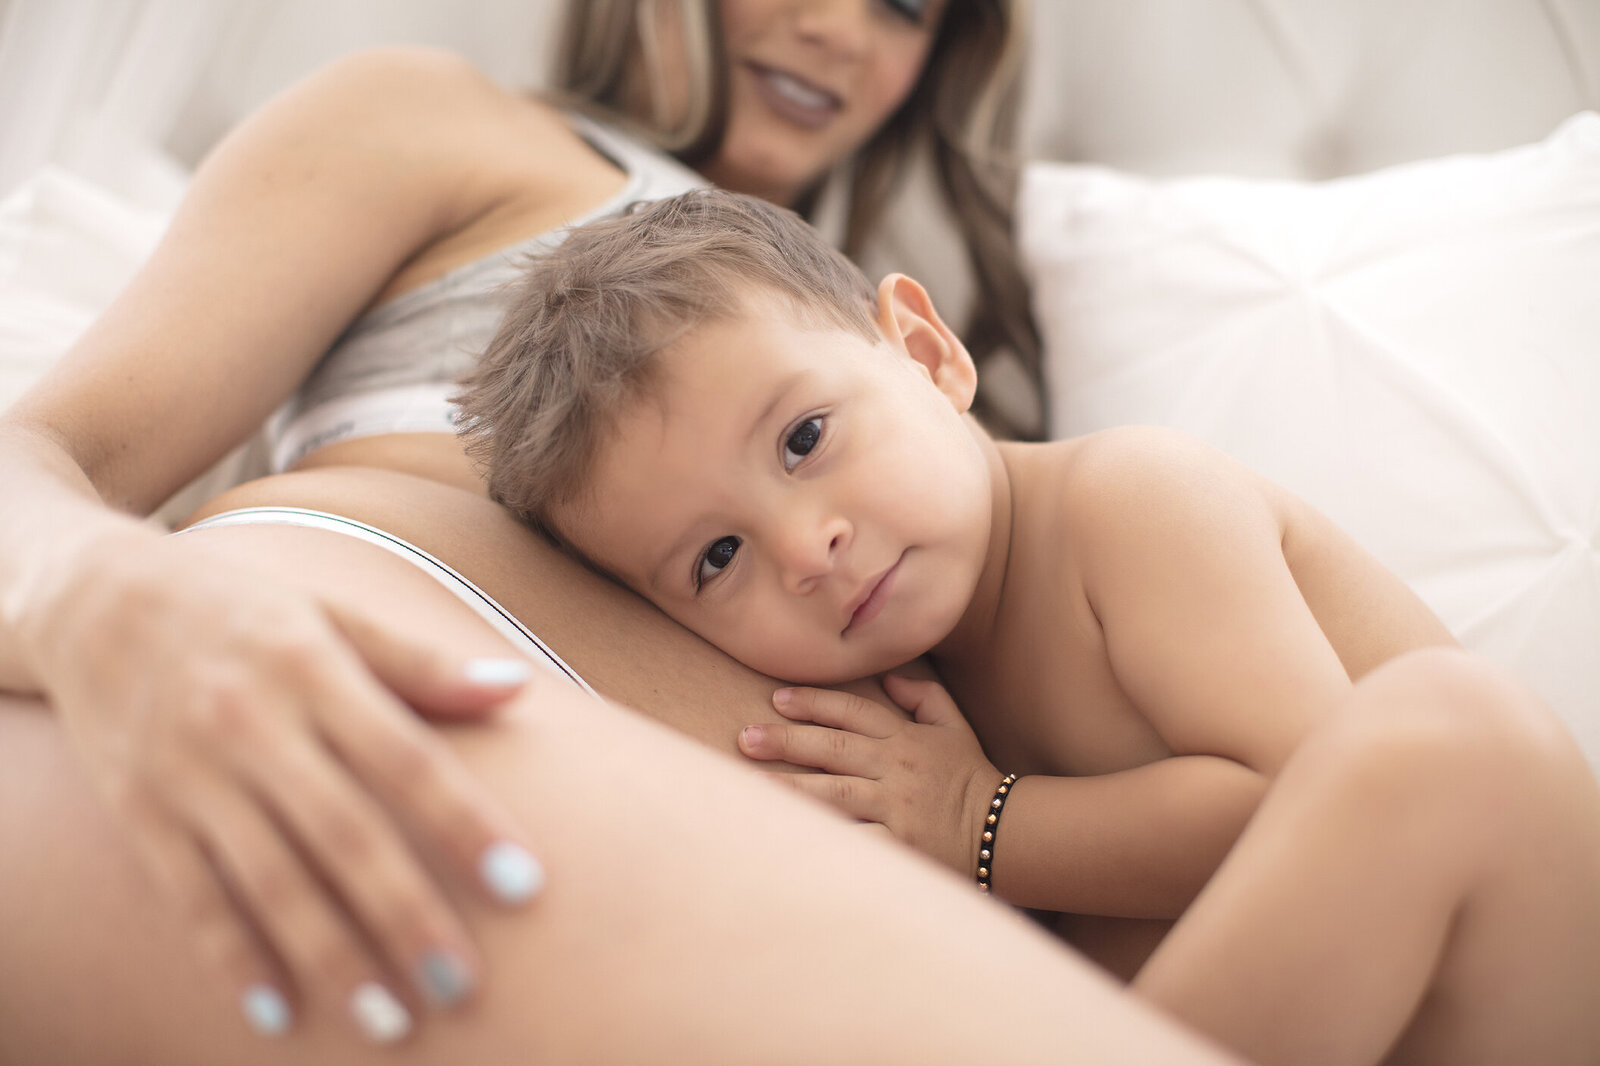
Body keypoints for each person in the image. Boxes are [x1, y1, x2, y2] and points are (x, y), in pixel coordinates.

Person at [0, 0, 1044, 1047]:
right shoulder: (445, 122)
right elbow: (33, 457)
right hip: (321, 737)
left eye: (904, 7)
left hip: (814, 928)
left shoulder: (916, 387)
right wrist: (95, 584)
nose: (836, 28)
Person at [455, 188, 1600, 1066]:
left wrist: (977, 818)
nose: (807, 551)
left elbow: (1296, 800)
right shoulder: (893, 712)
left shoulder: (1134, 505)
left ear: (925, 352)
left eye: (804, 438)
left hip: (1511, 989)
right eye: (717, 558)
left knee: (1450, 729)